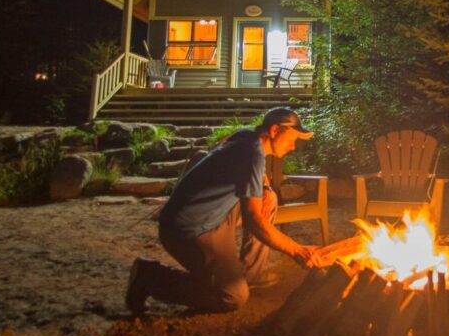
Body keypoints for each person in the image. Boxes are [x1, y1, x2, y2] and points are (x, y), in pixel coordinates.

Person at [125, 107, 323, 313]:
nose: (293, 147)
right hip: (187, 231)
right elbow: (253, 219)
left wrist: (263, 186)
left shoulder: (247, 137)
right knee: (233, 297)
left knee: (268, 197)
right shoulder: (252, 153)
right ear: (274, 131)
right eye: (292, 139)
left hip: (213, 218)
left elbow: (241, 166)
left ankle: (247, 277)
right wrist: (297, 250)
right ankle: (150, 277)